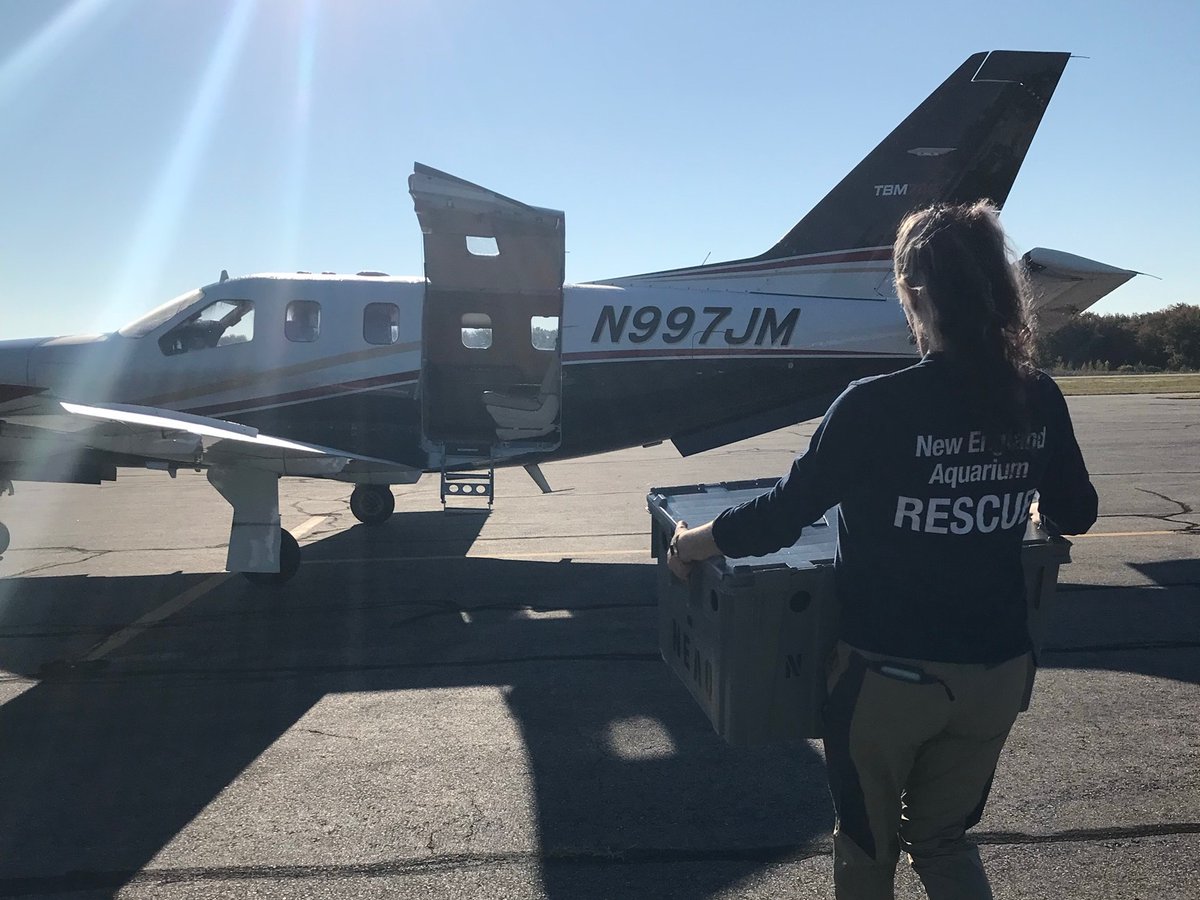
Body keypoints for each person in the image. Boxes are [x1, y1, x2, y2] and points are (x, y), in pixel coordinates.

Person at [667, 200, 1097, 900]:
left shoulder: (875, 405)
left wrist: (692, 544)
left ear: (917, 294)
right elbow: (1079, 512)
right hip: (996, 676)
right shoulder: (1038, 397)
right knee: (944, 842)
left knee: (868, 850)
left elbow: (781, 516)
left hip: (889, 680)